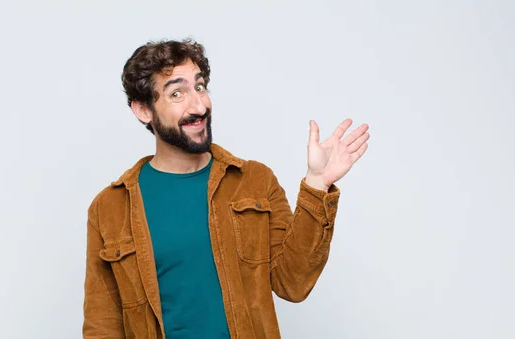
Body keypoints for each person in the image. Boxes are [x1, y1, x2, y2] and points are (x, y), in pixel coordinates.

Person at [83, 38, 369, 339]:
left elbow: (293, 284)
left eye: (200, 86)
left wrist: (317, 183)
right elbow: (102, 325)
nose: (198, 105)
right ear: (143, 110)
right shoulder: (109, 208)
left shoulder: (255, 181)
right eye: (177, 93)